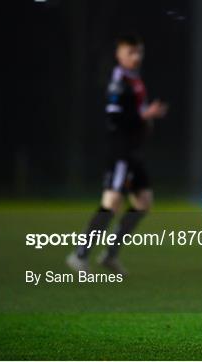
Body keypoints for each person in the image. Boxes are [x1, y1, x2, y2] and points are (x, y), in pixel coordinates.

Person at [67, 35, 168, 276]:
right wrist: (145, 116)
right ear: (119, 55)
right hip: (121, 153)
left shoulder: (135, 80)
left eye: (139, 52)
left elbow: (134, 114)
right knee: (111, 203)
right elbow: (114, 119)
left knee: (143, 203)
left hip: (134, 153)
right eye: (131, 52)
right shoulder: (118, 81)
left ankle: (110, 254)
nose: (136, 57)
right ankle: (79, 255)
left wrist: (146, 117)